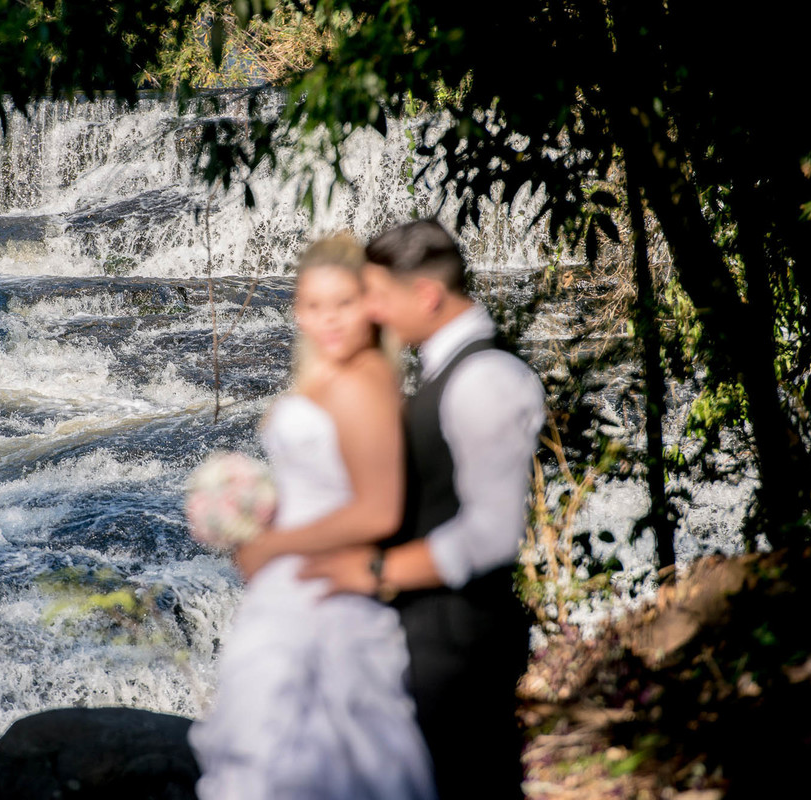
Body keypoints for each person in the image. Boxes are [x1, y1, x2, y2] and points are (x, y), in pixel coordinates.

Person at [300, 219, 546, 799]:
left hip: (460, 640)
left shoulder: (487, 378)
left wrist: (375, 571)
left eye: (378, 296)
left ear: (428, 295)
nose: (371, 312)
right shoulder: (445, 371)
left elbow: (493, 532)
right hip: (430, 630)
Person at [188, 233, 436, 800]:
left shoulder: (364, 380)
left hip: (326, 591)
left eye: (344, 303)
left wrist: (274, 545)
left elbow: (380, 510)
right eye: (314, 305)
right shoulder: (323, 372)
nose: (329, 320)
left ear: (369, 304)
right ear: (297, 309)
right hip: (290, 586)